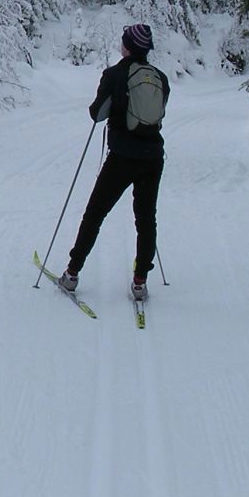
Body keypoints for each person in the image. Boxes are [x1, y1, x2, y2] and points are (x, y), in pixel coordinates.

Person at [58, 23, 169, 301]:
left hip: (122, 157)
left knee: (95, 214)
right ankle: (140, 281)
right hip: (153, 157)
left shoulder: (114, 74)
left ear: (127, 46)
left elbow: (97, 114)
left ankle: (72, 274)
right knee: (146, 219)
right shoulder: (160, 78)